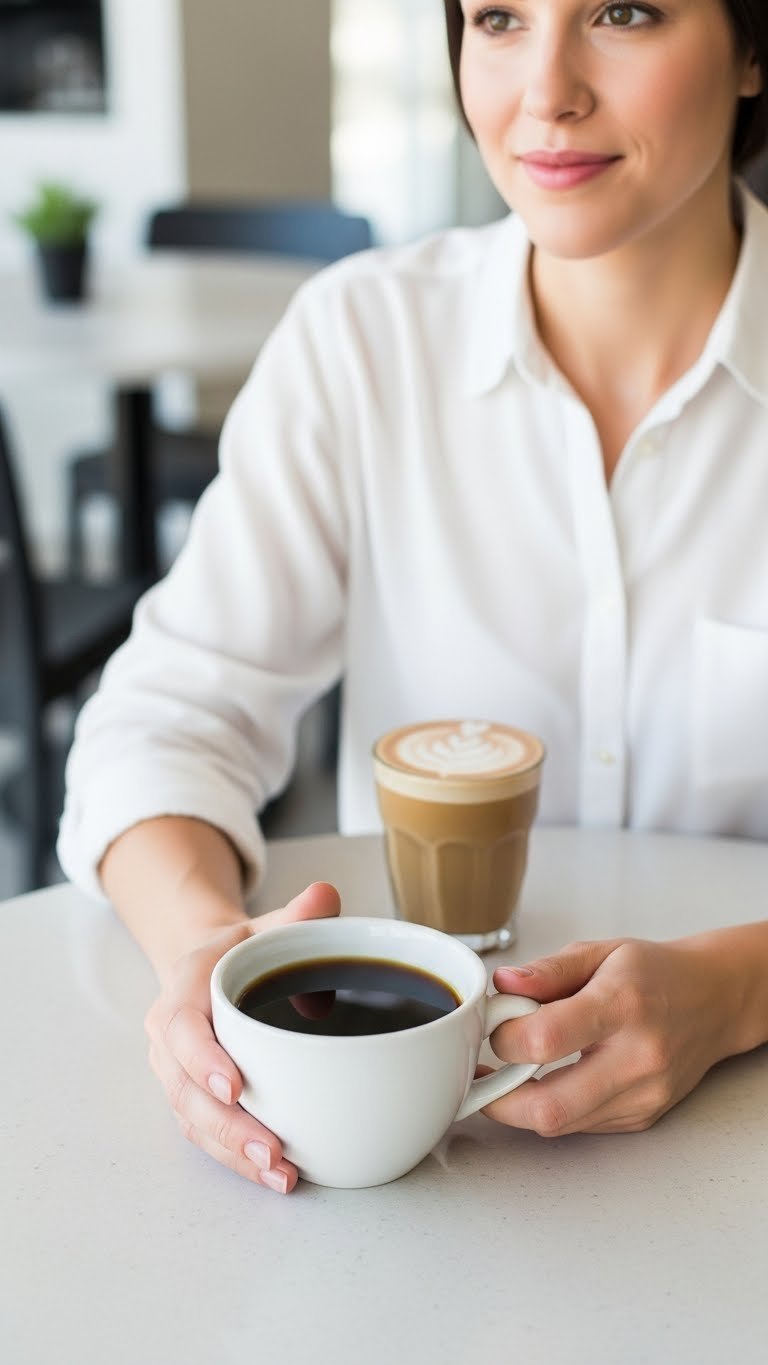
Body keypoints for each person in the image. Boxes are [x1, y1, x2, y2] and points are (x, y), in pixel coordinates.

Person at [59, 0, 768, 1194]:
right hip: (406, 1173)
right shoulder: (362, 340)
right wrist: (205, 956)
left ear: (755, 47)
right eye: (497, 17)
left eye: (625, 13)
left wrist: (742, 988)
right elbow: (160, 724)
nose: (545, 91)